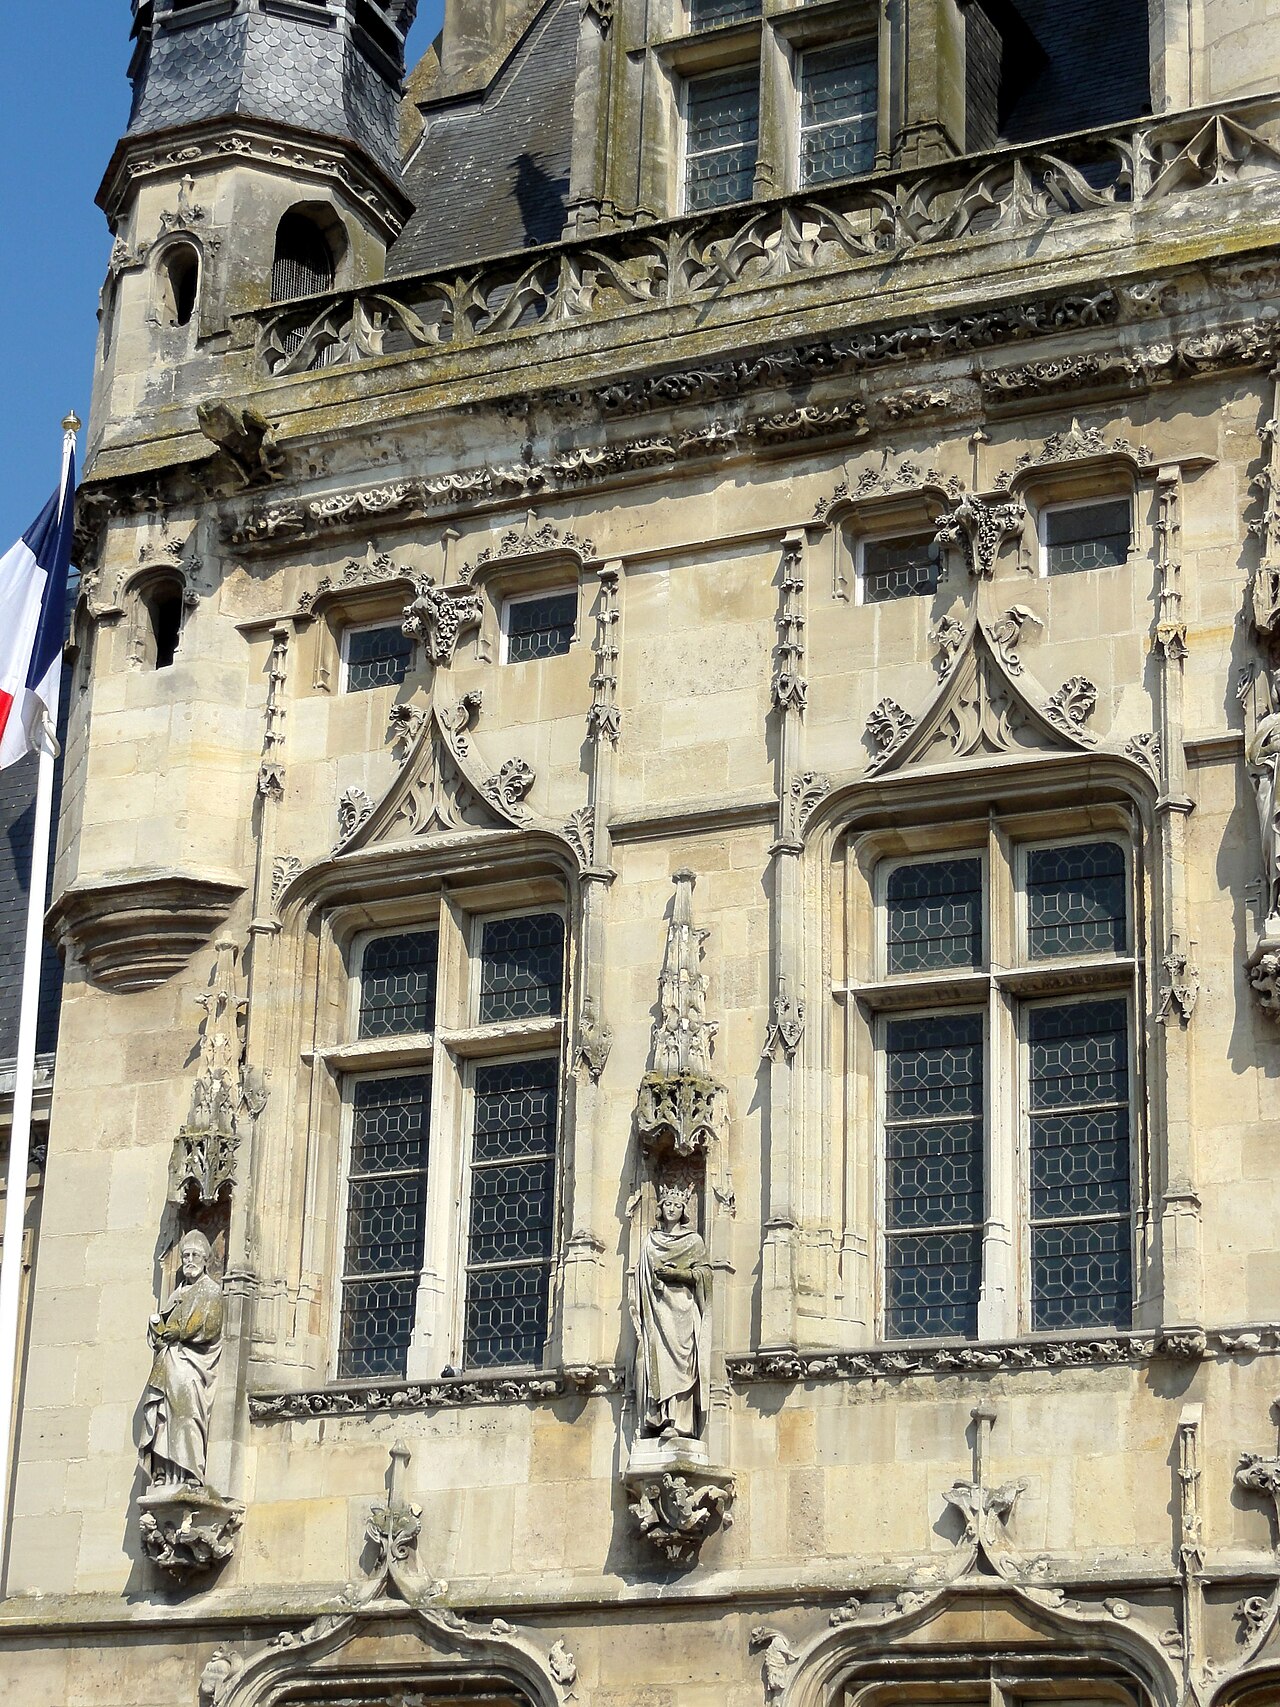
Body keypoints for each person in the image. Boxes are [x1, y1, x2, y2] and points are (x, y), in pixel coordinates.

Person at [139, 1230, 224, 1488]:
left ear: (205, 1259)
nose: (189, 1260)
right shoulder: (176, 1294)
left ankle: (190, 1471)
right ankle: (163, 1471)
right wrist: (159, 1331)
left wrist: (181, 1332)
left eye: (195, 1255)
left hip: (192, 1366)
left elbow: (210, 1326)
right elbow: (166, 1323)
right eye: (186, 1255)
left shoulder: (210, 1290)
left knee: (189, 1416)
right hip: (169, 1363)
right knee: (163, 1419)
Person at [634, 1180, 711, 1442]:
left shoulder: (693, 1241)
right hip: (657, 1311)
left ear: (684, 1211)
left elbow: (705, 1274)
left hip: (683, 1311)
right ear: (660, 1207)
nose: (671, 1209)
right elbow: (640, 1278)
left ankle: (680, 1421)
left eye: (677, 1206)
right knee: (656, 1360)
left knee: (683, 1365)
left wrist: (677, 1274)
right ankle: (658, 1418)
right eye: (667, 1204)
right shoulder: (650, 1241)